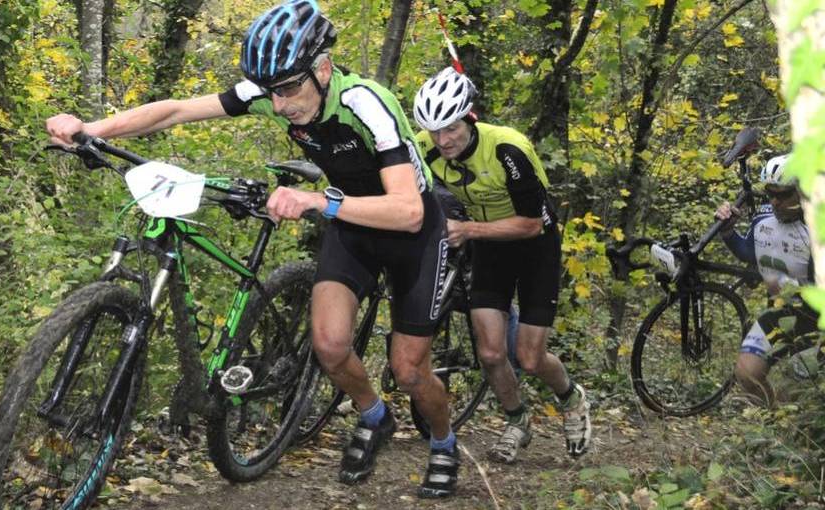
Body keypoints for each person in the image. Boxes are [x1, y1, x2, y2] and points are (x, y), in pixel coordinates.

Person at [47, 0, 460, 498]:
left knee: (409, 369)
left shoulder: (364, 104)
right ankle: (374, 415)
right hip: (351, 226)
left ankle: (443, 441)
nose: (280, 104)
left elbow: (409, 210)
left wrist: (315, 201)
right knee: (329, 347)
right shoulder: (273, 87)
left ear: (323, 68)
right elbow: (177, 110)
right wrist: (94, 128)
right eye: (271, 92)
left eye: (289, 90)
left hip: (412, 233)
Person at [411, 67, 592, 464]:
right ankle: (517, 421)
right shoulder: (424, 148)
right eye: (434, 131)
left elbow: (529, 224)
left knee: (528, 357)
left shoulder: (507, 149)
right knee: (491, 354)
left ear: (469, 117)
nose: (443, 141)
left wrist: (467, 228)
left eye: (451, 129)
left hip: (534, 245)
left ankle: (571, 397)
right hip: (489, 245)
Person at [715, 153, 817, 406]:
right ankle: (772, 429)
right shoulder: (762, 217)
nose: (775, 201)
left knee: (796, 391)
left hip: (817, 321)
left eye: (783, 194)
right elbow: (750, 253)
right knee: (747, 374)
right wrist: (728, 231)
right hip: (779, 314)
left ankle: (797, 435)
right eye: (770, 193)